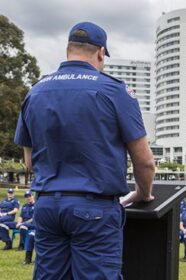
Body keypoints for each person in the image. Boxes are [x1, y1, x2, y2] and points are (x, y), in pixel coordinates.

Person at [14, 22, 155, 279]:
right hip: (94, 209)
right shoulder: (114, 90)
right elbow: (144, 162)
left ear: (69, 49)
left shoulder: (35, 92)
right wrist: (142, 193)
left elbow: (30, 162)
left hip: (47, 206)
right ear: (101, 53)